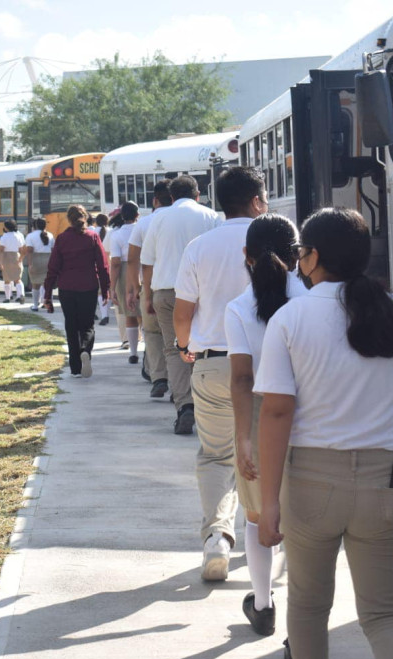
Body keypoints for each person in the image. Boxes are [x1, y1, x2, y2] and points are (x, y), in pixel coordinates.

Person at [255, 207, 393, 659]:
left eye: (300, 253)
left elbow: (276, 412)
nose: (298, 262)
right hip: (388, 479)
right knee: (386, 613)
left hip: (311, 482)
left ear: (314, 256)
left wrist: (269, 501)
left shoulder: (291, 318)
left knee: (309, 606)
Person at [172, 166, 268, 581]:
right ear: (257, 200)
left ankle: (217, 536)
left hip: (213, 362)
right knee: (270, 453)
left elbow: (183, 312)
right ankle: (265, 535)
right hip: (269, 365)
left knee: (216, 456)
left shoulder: (199, 246)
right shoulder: (279, 236)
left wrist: (184, 346)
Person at [223, 213, 308, 636]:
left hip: (259, 415)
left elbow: (241, 378)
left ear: (246, 256)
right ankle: (303, 616)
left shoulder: (238, 309)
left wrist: (243, 437)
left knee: (257, 516)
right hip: (311, 410)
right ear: (299, 255)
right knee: (304, 517)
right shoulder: (311, 297)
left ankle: (262, 604)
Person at [141, 174, 221, 434]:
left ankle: (184, 406)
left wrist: (146, 296)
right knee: (202, 347)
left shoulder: (158, 218)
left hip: (165, 291)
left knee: (174, 349)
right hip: (202, 292)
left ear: (171, 196)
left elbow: (148, 261)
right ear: (198, 195)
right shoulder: (211, 216)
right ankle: (205, 406)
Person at [43, 205, 110, 378]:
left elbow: (53, 268)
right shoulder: (93, 237)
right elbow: (102, 266)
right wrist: (106, 288)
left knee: (71, 326)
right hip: (88, 286)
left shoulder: (62, 238)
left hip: (67, 287)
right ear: (86, 218)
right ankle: (85, 349)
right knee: (87, 325)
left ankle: (75, 367)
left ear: (69, 219)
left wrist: (48, 294)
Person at [126, 180, 173, 396]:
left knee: (153, 333)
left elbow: (133, 259)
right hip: (184, 287)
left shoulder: (144, 224)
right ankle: (180, 384)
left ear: (155, 200)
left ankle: (159, 377)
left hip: (152, 286)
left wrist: (135, 288)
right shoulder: (186, 218)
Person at [109, 201, 140, 363]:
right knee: (146, 316)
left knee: (130, 314)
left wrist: (112, 286)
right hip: (144, 269)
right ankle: (149, 353)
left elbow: (114, 263)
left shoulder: (117, 235)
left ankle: (133, 353)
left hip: (124, 272)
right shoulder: (143, 230)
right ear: (137, 215)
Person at [23, 217, 54, 311]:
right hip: (48, 259)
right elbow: (53, 250)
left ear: (35, 225)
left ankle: (35, 306)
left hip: (36, 260)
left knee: (35, 284)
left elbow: (30, 250)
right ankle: (49, 305)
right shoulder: (50, 235)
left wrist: (30, 264)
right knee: (47, 284)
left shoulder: (30, 236)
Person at [0, 220, 25, 304]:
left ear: (6, 228)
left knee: (7, 278)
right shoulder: (18, 236)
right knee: (18, 278)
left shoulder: (4, 237)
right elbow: (22, 250)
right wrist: (20, 259)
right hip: (16, 255)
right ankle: (21, 295)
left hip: (7, 257)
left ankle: (7, 298)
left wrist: (0, 262)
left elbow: (2, 250)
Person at [92, 213, 111, 324]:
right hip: (111, 261)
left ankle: (98, 314)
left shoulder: (93, 232)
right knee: (108, 289)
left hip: (97, 263)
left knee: (97, 290)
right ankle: (105, 315)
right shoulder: (111, 231)